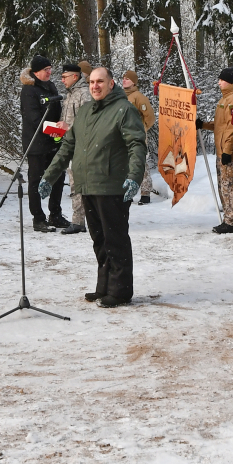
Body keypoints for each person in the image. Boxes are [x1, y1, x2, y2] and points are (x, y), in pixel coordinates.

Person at [39, 66, 147, 308]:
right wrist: (49, 176)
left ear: (111, 84)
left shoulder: (124, 110)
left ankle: (120, 291)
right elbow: (68, 146)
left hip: (112, 185)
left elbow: (137, 145)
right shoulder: (86, 111)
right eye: (92, 83)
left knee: (115, 239)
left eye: (100, 81)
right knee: (98, 239)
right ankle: (104, 286)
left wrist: (134, 176)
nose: (95, 86)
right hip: (88, 185)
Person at [20, 55, 69, 232]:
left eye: (50, 69)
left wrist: (61, 129)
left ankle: (55, 214)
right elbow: (34, 119)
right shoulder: (29, 90)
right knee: (36, 180)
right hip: (36, 143)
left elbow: (58, 112)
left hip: (53, 141)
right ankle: (38, 218)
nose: (49, 72)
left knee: (57, 177)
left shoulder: (51, 86)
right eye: (45, 70)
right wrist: (54, 130)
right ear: (35, 72)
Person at [196, 67, 233, 234]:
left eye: (221, 80)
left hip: (229, 152)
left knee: (229, 187)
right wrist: (203, 125)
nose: (218, 82)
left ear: (229, 81)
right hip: (221, 151)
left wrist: (228, 150)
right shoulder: (223, 100)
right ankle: (228, 218)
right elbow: (219, 125)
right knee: (223, 186)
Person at [56, 63, 91, 234]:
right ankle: (79, 220)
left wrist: (68, 127)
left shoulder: (84, 94)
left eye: (65, 77)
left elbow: (89, 122)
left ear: (75, 77)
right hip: (71, 145)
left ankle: (82, 221)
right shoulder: (70, 95)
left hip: (83, 148)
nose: (62, 80)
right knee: (75, 185)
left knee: (82, 185)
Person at [122, 69, 156, 205]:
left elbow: (150, 117)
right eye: (124, 78)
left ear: (134, 82)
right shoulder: (120, 96)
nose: (124, 80)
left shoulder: (138, 97)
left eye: (128, 79)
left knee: (141, 164)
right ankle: (128, 192)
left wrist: (142, 129)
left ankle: (145, 193)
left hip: (137, 137)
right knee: (125, 164)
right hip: (123, 137)